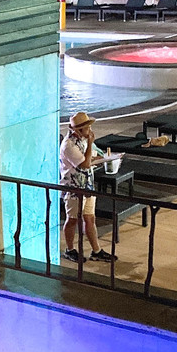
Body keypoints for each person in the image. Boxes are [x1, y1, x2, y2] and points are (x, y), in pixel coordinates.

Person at [59, 111, 115, 264]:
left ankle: (96, 251)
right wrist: (90, 144)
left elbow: (89, 158)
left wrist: (103, 157)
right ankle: (69, 249)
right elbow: (84, 164)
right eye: (87, 127)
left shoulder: (83, 140)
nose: (90, 130)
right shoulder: (69, 145)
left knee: (90, 218)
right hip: (74, 188)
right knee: (72, 219)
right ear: (78, 130)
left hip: (87, 185)